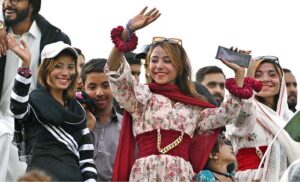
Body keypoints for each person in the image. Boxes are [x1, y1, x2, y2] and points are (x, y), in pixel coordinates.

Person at [106, 7, 253, 181]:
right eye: (154, 60)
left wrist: (239, 74)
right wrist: (127, 32)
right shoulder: (142, 98)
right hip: (145, 174)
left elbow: (227, 114)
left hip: (181, 175)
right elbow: (115, 72)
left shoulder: (193, 107)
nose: (159, 66)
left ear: (180, 67)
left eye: (167, 61)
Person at [8, 37, 97, 181]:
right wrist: (25, 64)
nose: (65, 72)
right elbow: (17, 108)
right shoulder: (34, 102)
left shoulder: (79, 110)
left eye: (70, 66)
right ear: (46, 69)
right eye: (58, 66)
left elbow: (86, 159)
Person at [0, 0, 70, 180]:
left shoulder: (54, 39)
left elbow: (62, 88)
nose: (8, 3)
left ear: (32, 4)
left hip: (33, 124)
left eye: (16, 0)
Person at [226, 56, 300, 181]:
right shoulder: (244, 108)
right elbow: (241, 117)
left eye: (272, 75)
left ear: (281, 82)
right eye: (258, 75)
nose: (265, 79)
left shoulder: (289, 118)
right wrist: (244, 74)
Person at [80, 58, 123, 181]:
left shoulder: (127, 127)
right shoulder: (75, 123)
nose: (99, 93)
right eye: (92, 87)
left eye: (106, 85)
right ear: (83, 87)